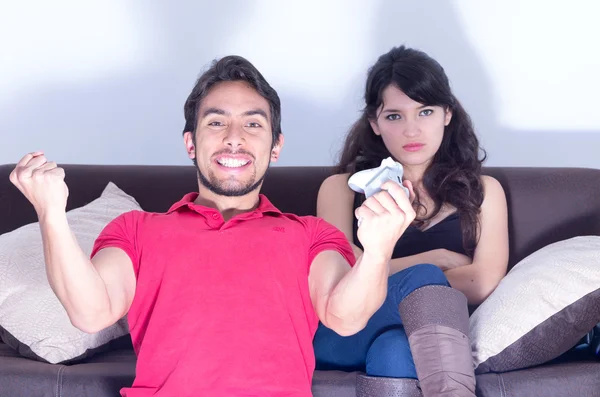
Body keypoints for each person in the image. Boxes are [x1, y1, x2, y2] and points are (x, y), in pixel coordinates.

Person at [9, 55, 417, 397]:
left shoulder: (310, 234)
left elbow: (345, 318)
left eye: (253, 124)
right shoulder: (136, 230)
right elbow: (90, 312)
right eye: (217, 123)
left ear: (276, 146)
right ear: (191, 142)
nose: (235, 139)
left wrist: (379, 250)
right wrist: (51, 213)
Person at [313, 46, 509, 397]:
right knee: (426, 277)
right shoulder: (340, 189)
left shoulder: (485, 192)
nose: (411, 130)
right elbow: (343, 277)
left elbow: (482, 282)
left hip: (417, 338)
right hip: (343, 333)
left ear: (447, 114)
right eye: (394, 116)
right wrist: (435, 260)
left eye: (426, 111)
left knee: (396, 349)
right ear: (374, 122)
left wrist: (378, 265)